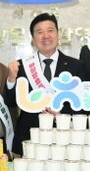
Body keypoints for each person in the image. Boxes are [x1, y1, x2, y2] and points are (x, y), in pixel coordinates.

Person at [7, 12, 83, 156]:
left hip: (65, 138)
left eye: (50, 30)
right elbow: (11, 102)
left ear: (58, 34)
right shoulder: (22, 66)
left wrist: (62, 116)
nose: (46, 36)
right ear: (33, 39)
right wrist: (11, 78)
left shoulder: (76, 66)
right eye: (40, 32)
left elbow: (82, 104)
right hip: (30, 139)